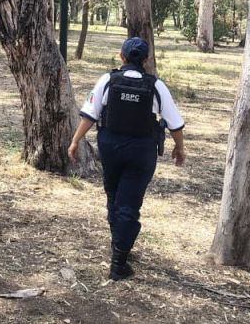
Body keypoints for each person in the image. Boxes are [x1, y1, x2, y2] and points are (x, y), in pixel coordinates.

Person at [67, 37, 186, 281]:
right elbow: (175, 123)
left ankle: (119, 244)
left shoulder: (108, 80)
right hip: (141, 151)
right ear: (147, 60)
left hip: (110, 147)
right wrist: (179, 148)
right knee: (129, 203)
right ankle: (119, 261)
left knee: (114, 195)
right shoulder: (156, 86)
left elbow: (90, 114)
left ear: (121, 57)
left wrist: (75, 140)